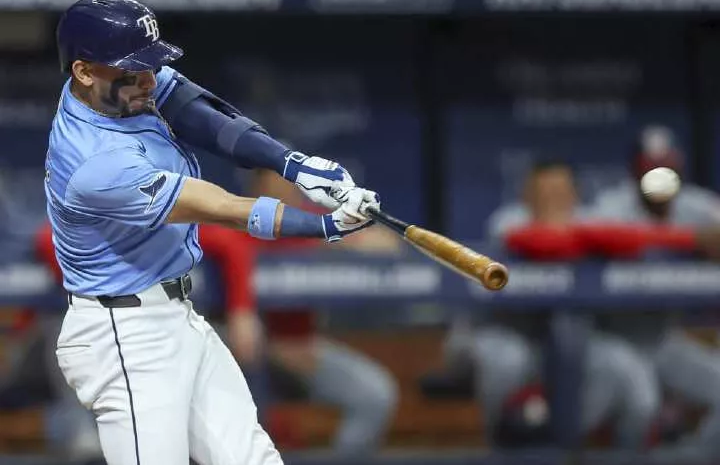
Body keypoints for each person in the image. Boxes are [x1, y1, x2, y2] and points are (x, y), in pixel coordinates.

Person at [46, 0, 380, 465]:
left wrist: (293, 164)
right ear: (83, 70)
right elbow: (224, 208)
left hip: (178, 317)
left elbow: (199, 114)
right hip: (123, 336)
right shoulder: (94, 163)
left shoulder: (113, 88)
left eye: (150, 64)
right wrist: (324, 224)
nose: (149, 78)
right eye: (133, 68)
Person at [445, 160, 659, 448]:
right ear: (526, 196)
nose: (552, 199)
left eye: (560, 191)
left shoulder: (591, 220)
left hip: (571, 339)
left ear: (575, 194)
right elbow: (534, 239)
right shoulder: (508, 219)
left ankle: (564, 448)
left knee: (622, 365)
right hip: (503, 331)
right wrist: (580, 236)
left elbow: (631, 241)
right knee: (508, 359)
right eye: (542, 191)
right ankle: (500, 449)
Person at [225, 168, 399, 456]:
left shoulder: (309, 220)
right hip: (247, 351)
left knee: (375, 394)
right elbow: (224, 246)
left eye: (287, 181)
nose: (284, 188)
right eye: (273, 181)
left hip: (305, 349)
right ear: (256, 185)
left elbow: (387, 246)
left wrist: (342, 240)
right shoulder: (238, 219)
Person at [592, 125, 720, 460]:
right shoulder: (611, 205)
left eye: (667, 168)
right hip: (614, 336)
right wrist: (688, 240)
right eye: (649, 169)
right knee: (642, 403)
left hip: (663, 338)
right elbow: (601, 237)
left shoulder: (696, 205)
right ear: (635, 171)